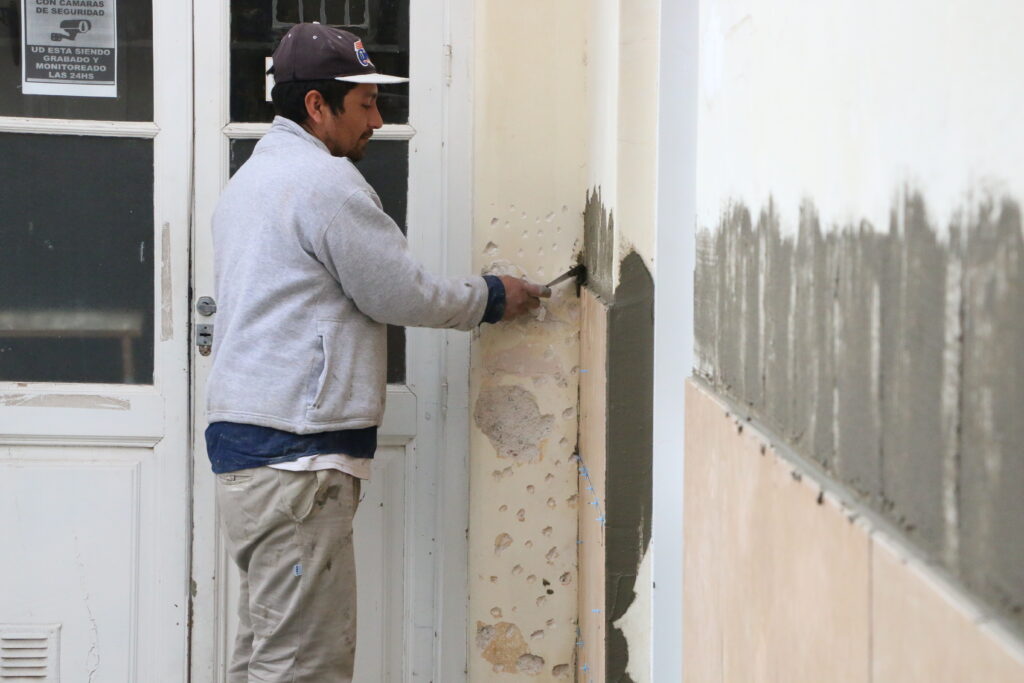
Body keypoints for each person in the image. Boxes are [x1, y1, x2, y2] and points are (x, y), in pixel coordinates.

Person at [205, 22, 546, 683]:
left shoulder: (252, 180)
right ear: (316, 106)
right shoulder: (323, 185)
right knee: (305, 665)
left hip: (252, 454)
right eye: (365, 103)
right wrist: (492, 297)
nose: (378, 120)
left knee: (266, 654)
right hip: (295, 456)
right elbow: (398, 291)